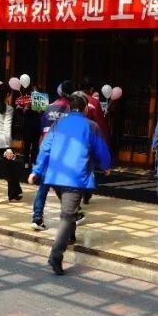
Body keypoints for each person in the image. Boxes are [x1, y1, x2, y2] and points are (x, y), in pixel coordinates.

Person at [29, 91, 111, 275]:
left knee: (70, 211)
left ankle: (71, 236)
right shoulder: (91, 126)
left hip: (55, 175)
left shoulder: (58, 123)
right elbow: (100, 149)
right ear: (85, 108)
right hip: (75, 177)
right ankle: (55, 256)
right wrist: (106, 166)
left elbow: (46, 147)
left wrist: (37, 171)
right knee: (67, 216)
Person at [31, 81, 73, 230]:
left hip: (47, 149)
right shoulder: (71, 110)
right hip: (62, 152)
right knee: (64, 186)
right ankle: (72, 214)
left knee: (46, 184)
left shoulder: (48, 107)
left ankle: (37, 217)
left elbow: (42, 131)